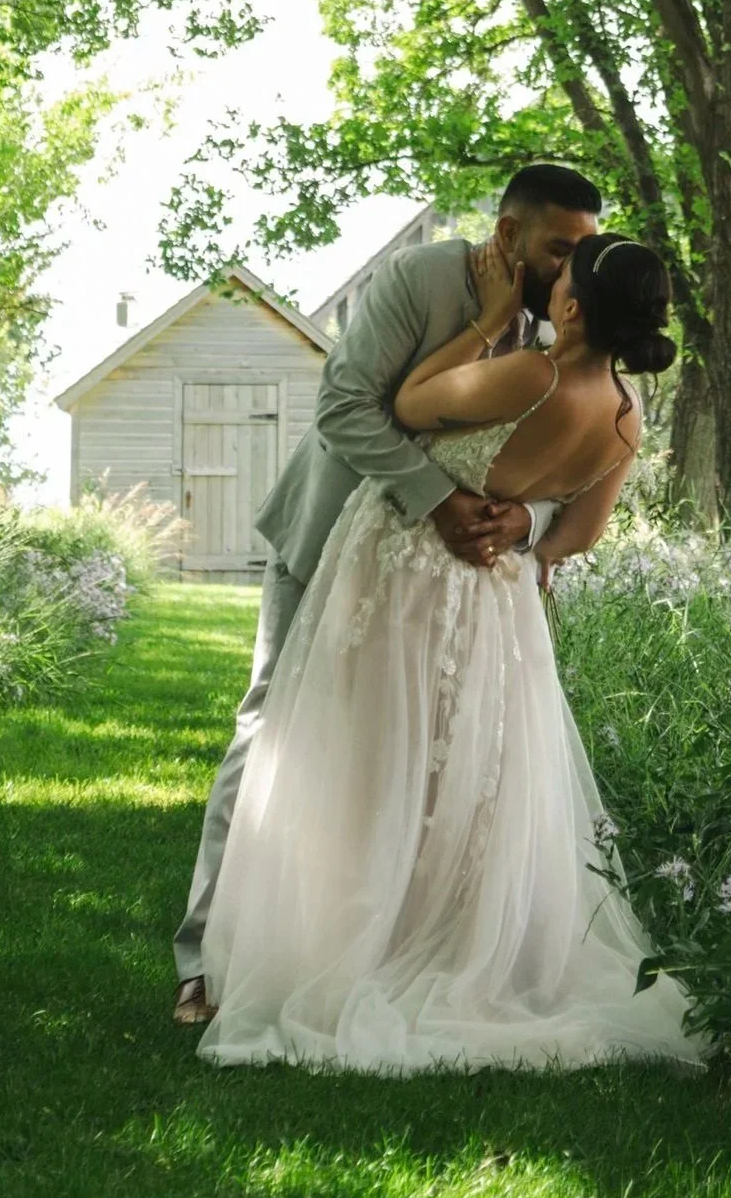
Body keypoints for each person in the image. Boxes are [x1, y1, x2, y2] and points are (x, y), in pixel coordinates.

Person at [195, 229, 704, 1075]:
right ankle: (436, 939)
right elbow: (576, 533)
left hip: (409, 581)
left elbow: (410, 403)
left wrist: (488, 322)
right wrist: (521, 522)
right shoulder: (625, 418)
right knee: (458, 780)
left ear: (574, 307)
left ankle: (355, 943)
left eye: (564, 278)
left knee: (371, 760)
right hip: (496, 601)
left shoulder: (532, 373)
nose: (550, 282)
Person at [171, 163, 604, 1024]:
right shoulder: (421, 279)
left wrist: (523, 521)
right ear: (509, 234)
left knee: (408, 761)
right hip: (334, 542)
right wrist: (441, 501)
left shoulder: (571, 325)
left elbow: (582, 462)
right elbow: (345, 407)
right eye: (560, 249)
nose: (573, 269)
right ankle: (207, 956)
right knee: (274, 731)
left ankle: (373, 952)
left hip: (452, 592)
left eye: (585, 251)